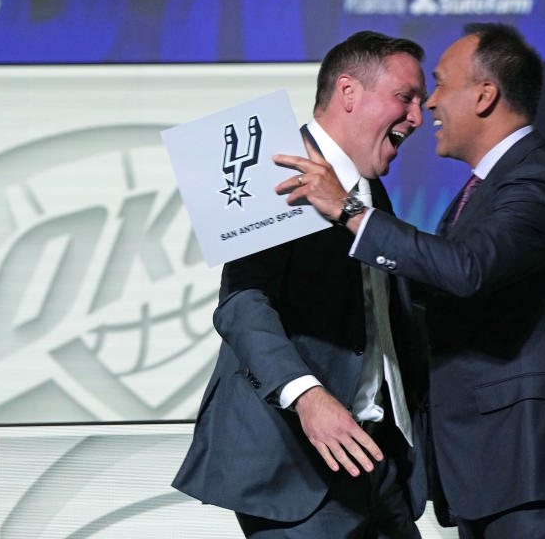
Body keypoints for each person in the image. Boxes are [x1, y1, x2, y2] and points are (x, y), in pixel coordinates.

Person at [277, 23, 545, 538]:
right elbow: (462, 277)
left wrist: (346, 209)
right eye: (412, 94)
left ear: (484, 95)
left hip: (531, 470)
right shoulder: (490, 187)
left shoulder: (535, 180)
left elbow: (466, 269)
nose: (429, 105)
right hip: (492, 474)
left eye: (438, 85)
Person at [172, 31, 431, 538]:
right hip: (295, 467)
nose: (418, 117)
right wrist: (308, 398)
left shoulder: (368, 188)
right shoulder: (268, 167)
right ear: (348, 92)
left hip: (379, 460)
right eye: (405, 98)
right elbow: (242, 303)